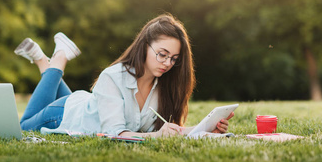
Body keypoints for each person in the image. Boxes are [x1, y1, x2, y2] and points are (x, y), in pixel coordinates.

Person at [15, 14, 234, 138]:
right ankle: (60, 56)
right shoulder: (112, 77)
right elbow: (115, 135)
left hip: (88, 105)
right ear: (144, 46)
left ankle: (41, 59)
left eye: (174, 58)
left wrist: (205, 129)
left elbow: (170, 131)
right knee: (21, 128)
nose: (168, 63)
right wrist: (157, 137)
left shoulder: (164, 84)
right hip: (64, 114)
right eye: (162, 54)